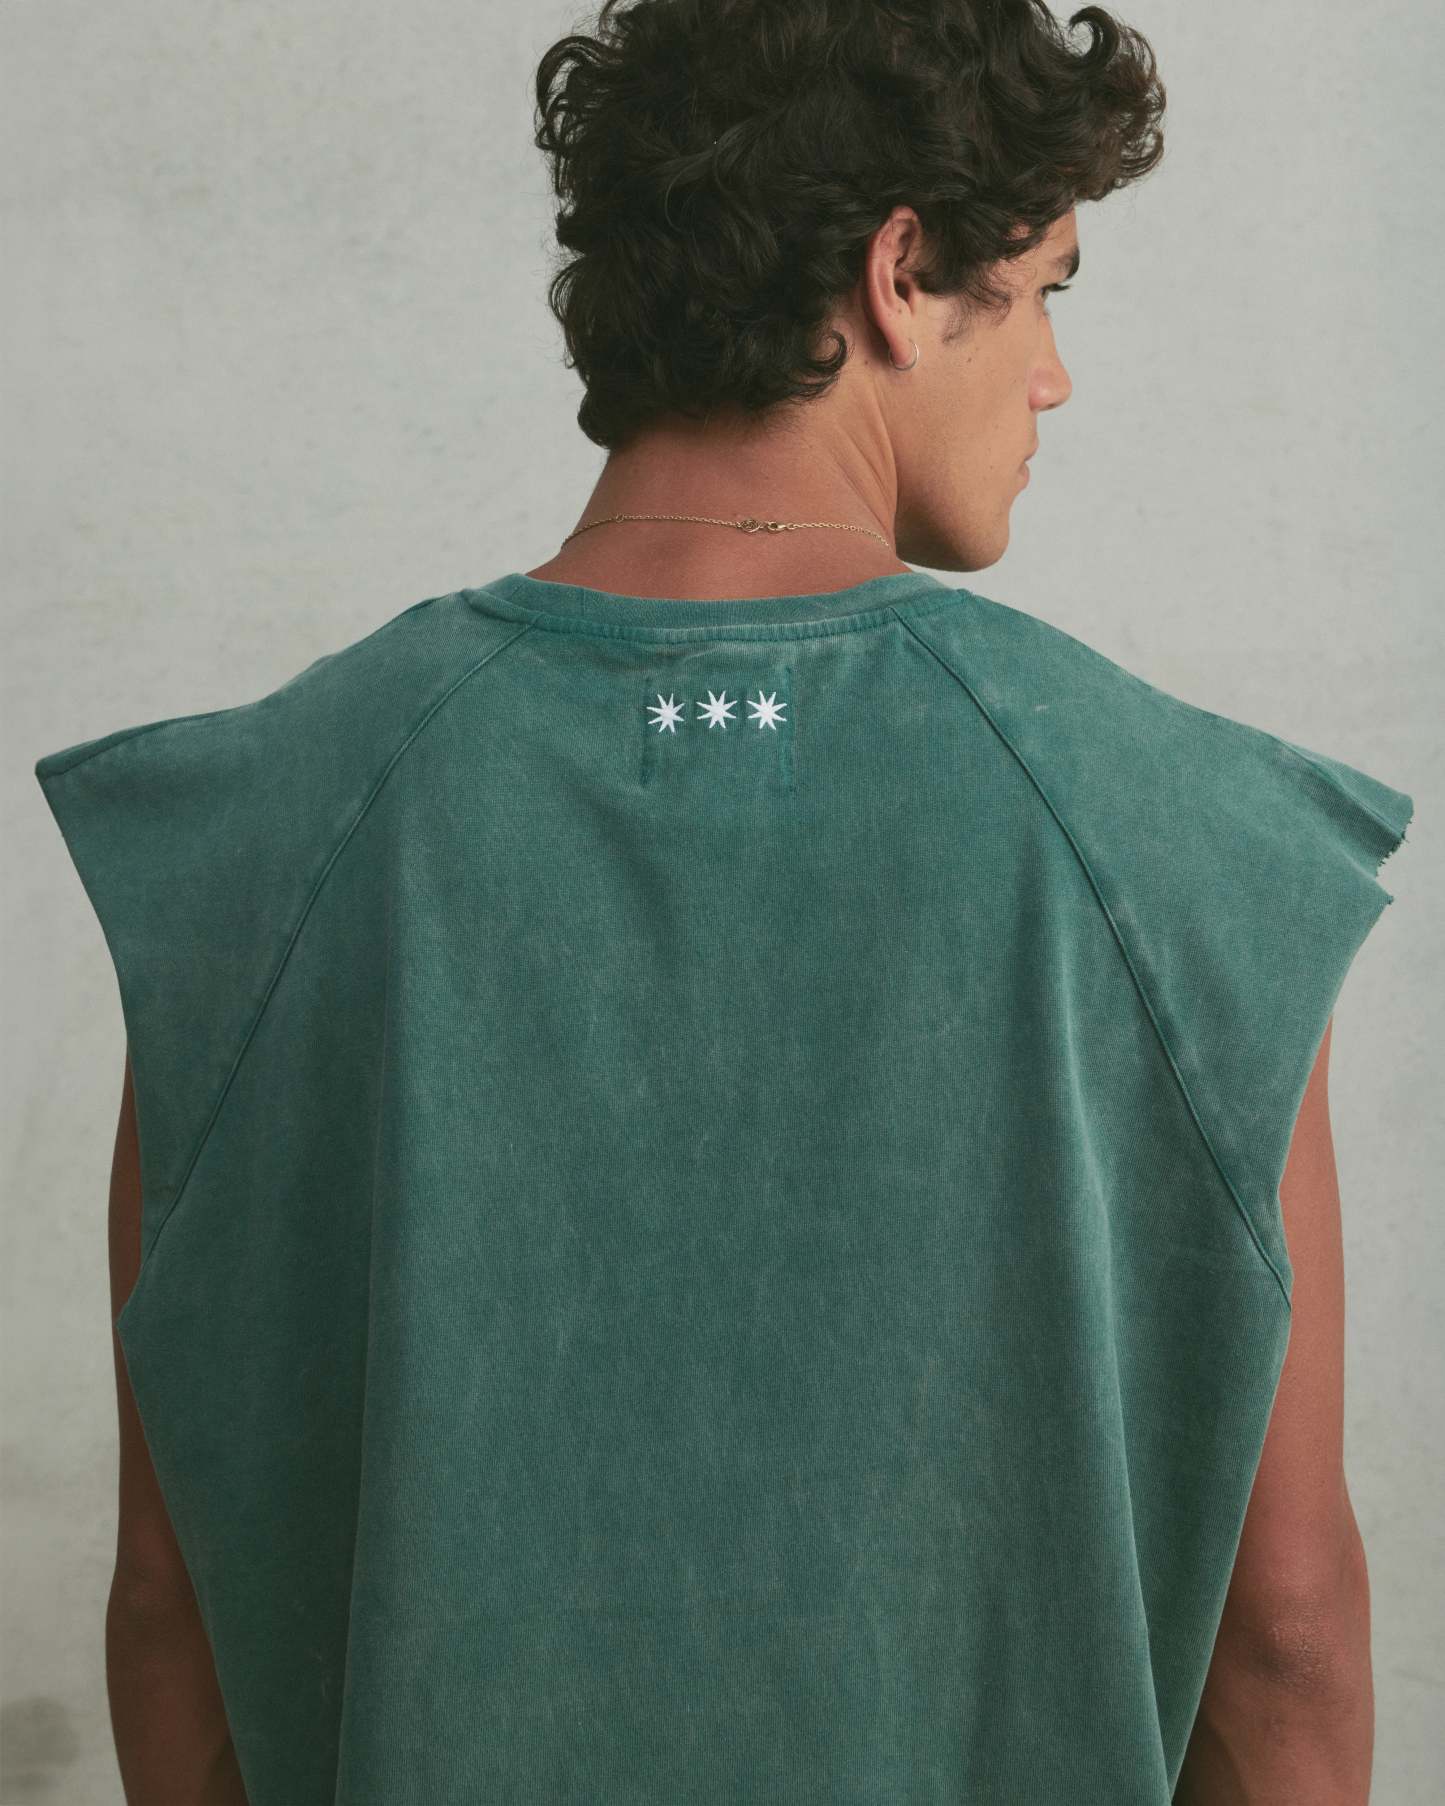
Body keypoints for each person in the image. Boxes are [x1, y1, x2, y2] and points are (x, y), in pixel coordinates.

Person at [32, 2, 1414, 1802]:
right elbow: (1283, 1635)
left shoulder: (256, 841)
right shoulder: (1193, 851)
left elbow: (173, 1610)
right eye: (1045, 290)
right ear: (901, 276)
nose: (1054, 376)